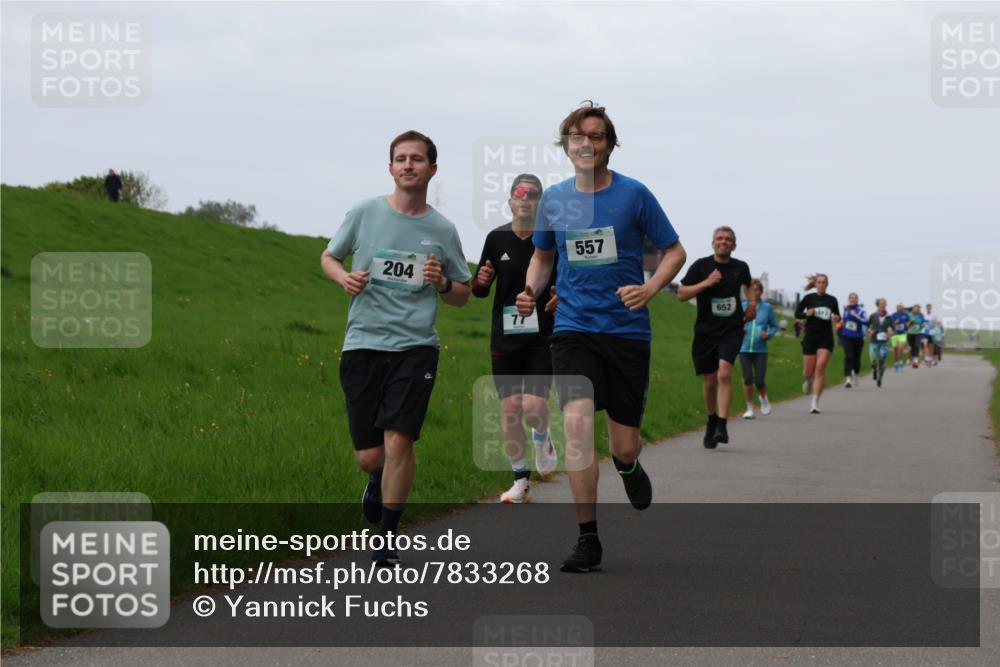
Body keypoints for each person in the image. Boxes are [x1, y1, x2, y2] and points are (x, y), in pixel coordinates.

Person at [516, 102, 686, 572]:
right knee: (575, 426)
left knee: (623, 446)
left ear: (609, 144)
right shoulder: (553, 199)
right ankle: (587, 538)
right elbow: (543, 258)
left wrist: (651, 288)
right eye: (577, 136)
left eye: (596, 136)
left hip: (627, 332)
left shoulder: (634, 195)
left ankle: (628, 466)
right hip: (573, 328)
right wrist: (530, 290)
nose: (586, 143)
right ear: (566, 144)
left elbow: (675, 251)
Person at [322, 130, 472, 565]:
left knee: (399, 441)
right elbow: (329, 256)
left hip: (415, 346)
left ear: (432, 169)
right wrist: (343, 277)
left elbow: (461, 293)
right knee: (370, 454)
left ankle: (387, 533)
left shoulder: (442, 230)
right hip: (363, 342)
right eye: (401, 159)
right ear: (390, 168)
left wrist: (442, 282)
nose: (408, 165)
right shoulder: (365, 213)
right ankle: (376, 478)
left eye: (417, 159)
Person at [472, 174, 558, 503]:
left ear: (540, 203)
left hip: (541, 336)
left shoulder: (548, 240)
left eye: (532, 195)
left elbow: (561, 283)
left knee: (535, 407)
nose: (525, 199)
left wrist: (557, 296)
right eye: (519, 194)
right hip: (505, 337)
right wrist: (481, 280)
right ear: (509, 201)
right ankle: (521, 480)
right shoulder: (496, 239)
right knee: (509, 410)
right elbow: (480, 290)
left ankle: (542, 435)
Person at [678, 227, 755, 445]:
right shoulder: (701, 266)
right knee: (710, 380)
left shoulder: (741, 267)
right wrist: (706, 283)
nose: (724, 242)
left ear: (734, 245)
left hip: (731, 330)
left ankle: (722, 425)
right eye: (720, 238)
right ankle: (711, 420)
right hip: (705, 332)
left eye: (728, 239)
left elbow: (749, 285)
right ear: (713, 243)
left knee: (724, 373)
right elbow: (682, 294)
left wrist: (752, 304)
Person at [794, 274, 840, 414]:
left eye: (823, 282)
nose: (821, 284)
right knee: (808, 372)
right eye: (818, 282)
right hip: (810, 337)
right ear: (815, 284)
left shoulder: (832, 300)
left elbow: (837, 317)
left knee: (820, 369)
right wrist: (807, 313)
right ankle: (808, 381)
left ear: (827, 284)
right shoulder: (809, 298)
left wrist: (836, 317)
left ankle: (814, 402)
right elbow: (797, 313)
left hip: (826, 338)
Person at [737, 278, 778, 419]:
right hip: (744, 348)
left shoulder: (767, 308)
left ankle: (764, 399)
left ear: (761, 291)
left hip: (761, 349)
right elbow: (734, 324)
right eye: (751, 290)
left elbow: (774, 326)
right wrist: (739, 328)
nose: (754, 293)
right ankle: (749, 409)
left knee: (759, 381)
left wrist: (768, 334)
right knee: (748, 378)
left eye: (757, 290)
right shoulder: (742, 306)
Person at [840, 293, 867, 388]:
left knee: (856, 359)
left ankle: (856, 374)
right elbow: (844, 320)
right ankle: (848, 379)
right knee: (848, 356)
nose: (853, 299)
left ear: (857, 300)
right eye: (851, 298)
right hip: (846, 336)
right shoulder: (846, 309)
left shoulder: (861, 311)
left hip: (858, 337)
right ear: (848, 299)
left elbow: (865, 321)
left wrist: (856, 316)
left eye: (855, 298)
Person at [867, 298, 894, 388]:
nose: (882, 305)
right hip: (874, 341)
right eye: (880, 303)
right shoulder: (873, 316)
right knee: (873, 359)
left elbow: (892, 328)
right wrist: (870, 331)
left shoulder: (889, 317)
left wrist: (890, 332)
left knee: (882, 360)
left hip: (884, 342)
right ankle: (874, 369)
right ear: (877, 305)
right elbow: (868, 327)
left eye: (884, 303)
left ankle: (879, 378)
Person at [890, 303, 910, 372]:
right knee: (895, 350)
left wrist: (907, 325)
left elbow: (909, 322)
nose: (900, 308)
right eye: (899, 307)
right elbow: (890, 323)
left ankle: (900, 362)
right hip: (895, 334)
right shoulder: (893, 315)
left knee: (900, 348)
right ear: (897, 308)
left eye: (901, 307)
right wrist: (895, 322)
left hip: (902, 334)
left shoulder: (906, 315)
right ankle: (896, 363)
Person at [906, 304, 926, 369]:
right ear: (913, 309)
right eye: (915, 309)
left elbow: (923, 323)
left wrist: (921, 326)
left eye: (918, 309)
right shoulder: (909, 315)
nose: (916, 310)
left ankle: (915, 361)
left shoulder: (921, 315)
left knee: (916, 345)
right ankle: (912, 359)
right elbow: (906, 324)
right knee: (911, 347)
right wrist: (909, 323)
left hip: (918, 333)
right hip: (910, 333)